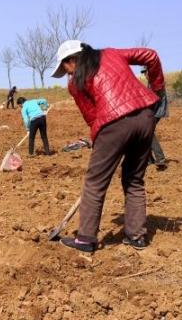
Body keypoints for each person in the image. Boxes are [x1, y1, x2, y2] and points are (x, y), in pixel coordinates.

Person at [52, 40, 164, 253]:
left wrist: (101, 143)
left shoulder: (75, 82)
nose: (66, 73)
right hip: (145, 116)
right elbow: (150, 55)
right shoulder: (112, 53)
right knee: (134, 178)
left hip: (113, 124)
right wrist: (157, 89)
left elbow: (91, 117)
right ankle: (137, 236)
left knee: (95, 182)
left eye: (65, 67)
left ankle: (85, 239)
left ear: (72, 59)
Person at [142, 68, 168, 170]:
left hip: (156, 111)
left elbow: (153, 100)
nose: (145, 74)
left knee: (148, 132)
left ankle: (160, 158)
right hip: (151, 112)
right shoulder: (150, 83)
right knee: (145, 133)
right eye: (144, 72)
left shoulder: (156, 82)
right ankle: (149, 159)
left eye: (146, 72)